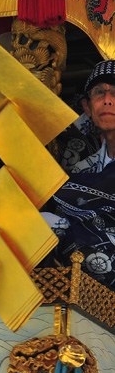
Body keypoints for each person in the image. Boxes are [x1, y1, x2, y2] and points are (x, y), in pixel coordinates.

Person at [42, 60, 115, 287]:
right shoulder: (81, 167)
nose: (108, 99)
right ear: (87, 107)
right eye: (98, 93)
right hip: (82, 275)